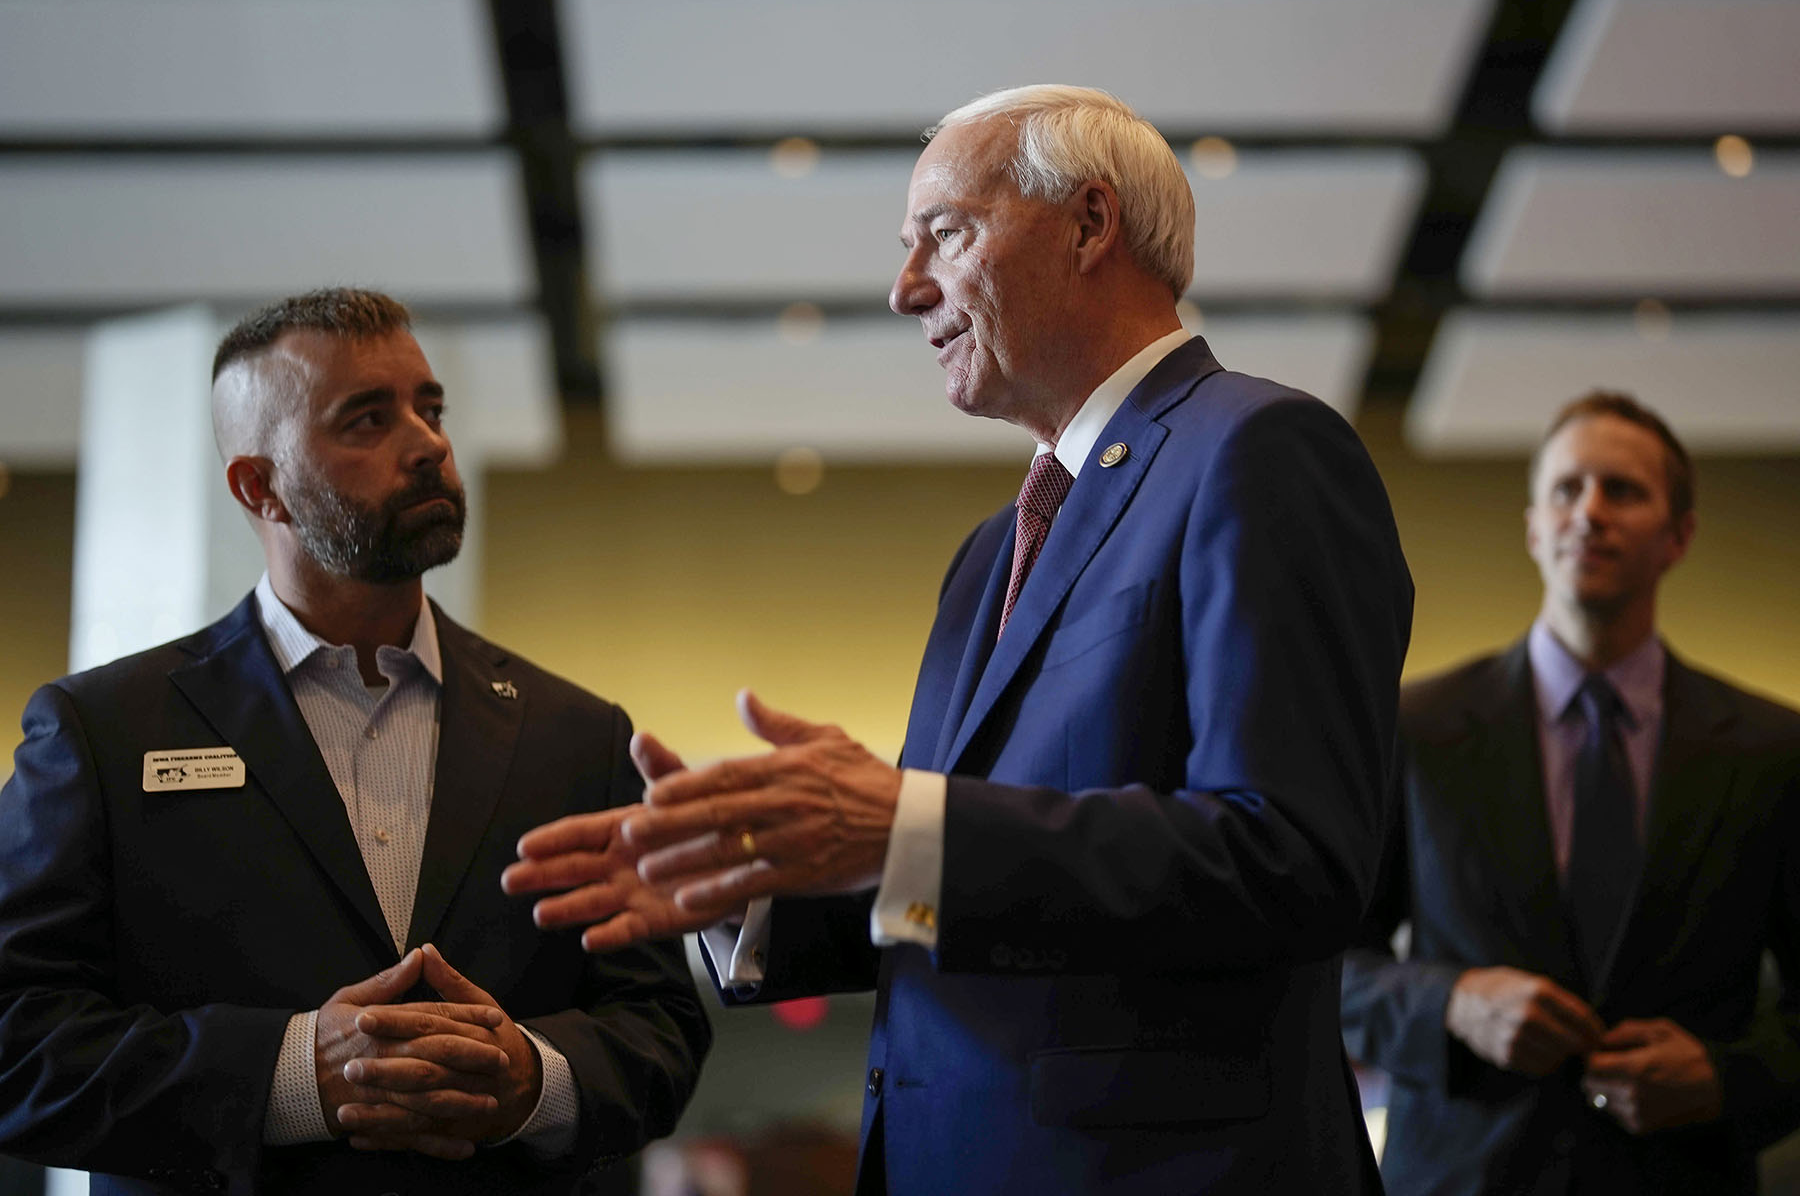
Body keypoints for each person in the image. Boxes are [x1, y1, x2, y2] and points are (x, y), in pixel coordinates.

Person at [504, 85, 1413, 1194]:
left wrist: (910, 827)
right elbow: (970, 890)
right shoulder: (991, 552)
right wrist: (760, 882)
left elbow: (1292, 859)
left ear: (1089, 224)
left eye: (946, 232)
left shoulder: (1260, 451)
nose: (904, 289)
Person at [0, 289, 711, 1195]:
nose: (429, 444)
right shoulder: (102, 731)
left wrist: (535, 1079)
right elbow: (15, 1038)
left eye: (431, 408)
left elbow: (658, 1029)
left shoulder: (577, 735)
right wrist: (295, 1075)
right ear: (261, 487)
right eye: (367, 421)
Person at [1341, 391, 1800, 1194]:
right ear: (1533, 527)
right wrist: (1450, 1005)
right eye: (1566, 489)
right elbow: (1322, 961)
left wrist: (1729, 1077)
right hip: (1464, 1177)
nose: (1590, 512)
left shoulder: (1773, 748)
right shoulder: (1415, 724)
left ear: (1679, 535)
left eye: (1622, 491)